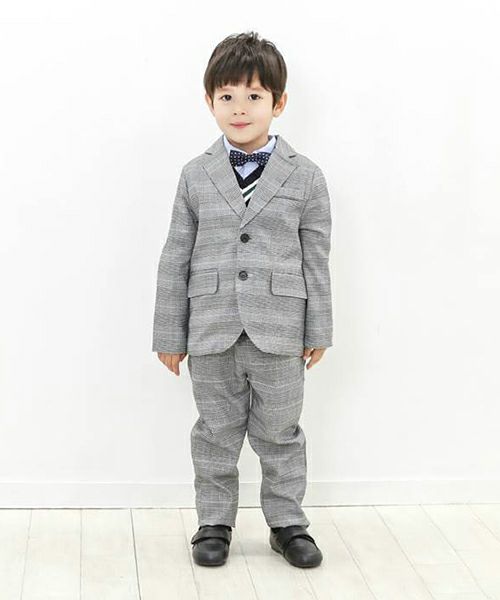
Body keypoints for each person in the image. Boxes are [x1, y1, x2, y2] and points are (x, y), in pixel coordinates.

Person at [152, 31, 333, 568]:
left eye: (254, 96)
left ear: (279, 102)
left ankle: (288, 524)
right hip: (210, 330)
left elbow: (316, 258)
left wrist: (319, 329)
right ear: (209, 101)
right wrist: (169, 334)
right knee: (214, 433)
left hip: (281, 331)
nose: (239, 108)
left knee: (281, 434)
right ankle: (214, 522)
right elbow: (175, 255)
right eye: (227, 96)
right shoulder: (195, 174)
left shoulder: (306, 176)